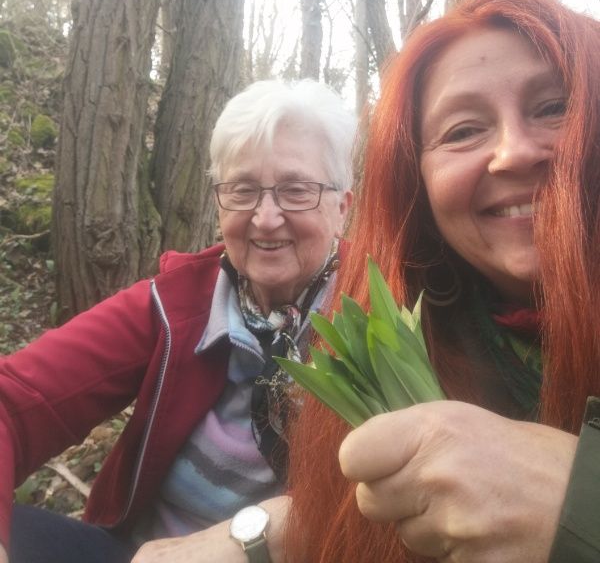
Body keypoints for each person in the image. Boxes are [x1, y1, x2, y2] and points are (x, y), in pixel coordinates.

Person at [285, 0, 600, 563]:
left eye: (554, 107)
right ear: (418, 191)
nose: (513, 152)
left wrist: (581, 508)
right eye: (463, 131)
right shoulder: (400, 349)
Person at [0, 78, 356, 563]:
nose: (266, 217)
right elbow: (15, 400)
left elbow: (424, 486)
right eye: (243, 190)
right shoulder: (178, 305)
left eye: (296, 191)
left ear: (342, 209)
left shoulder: (382, 315)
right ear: (218, 203)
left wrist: (256, 537)